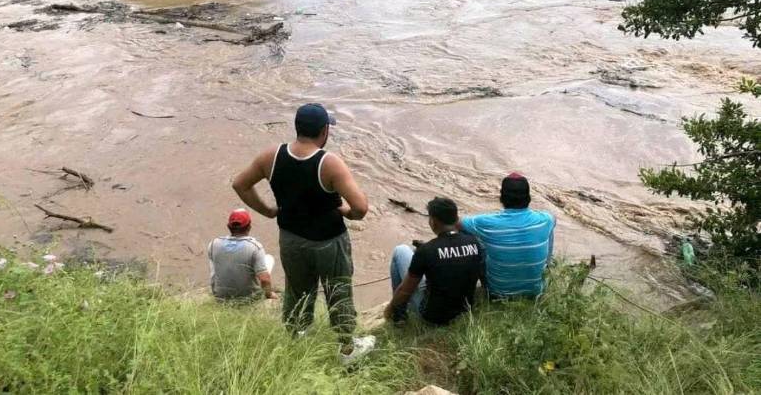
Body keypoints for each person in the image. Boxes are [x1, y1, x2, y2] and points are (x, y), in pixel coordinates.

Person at [231, 103, 374, 363]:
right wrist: (345, 212)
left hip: (291, 238)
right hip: (329, 241)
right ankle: (347, 349)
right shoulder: (328, 163)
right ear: (324, 131)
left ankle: (297, 337)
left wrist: (267, 211)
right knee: (337, 290)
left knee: (297, 290)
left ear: (297, 128)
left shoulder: (271, 157)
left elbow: (239, 184)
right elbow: (361, 208)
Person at [384, 197, 485, 325]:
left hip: (432, 316)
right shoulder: (475, 242)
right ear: (456, 218)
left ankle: (398, 316)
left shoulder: (427, 250)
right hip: (465, 309)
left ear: (433, 221)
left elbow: (405, 290)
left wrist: (388, 309)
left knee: (401, 250)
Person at [458, 172, 556, 298]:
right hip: (535, 293)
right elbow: (554, 219)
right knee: (549, 229)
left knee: (468, 233)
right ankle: (547, 266)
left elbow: (457, 223)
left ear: (502, 197)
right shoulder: (545, 219)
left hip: (498, 293)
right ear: (528, 197)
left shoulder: (486, 222)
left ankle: (476, 285)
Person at [208, 208, 277, 301]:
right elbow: (265, 279)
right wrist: (269, 294)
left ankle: (219, 293)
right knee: (269, 258)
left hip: (220, 298)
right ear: (249, 227)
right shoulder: (255, 247)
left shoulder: (213, 244)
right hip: (249, 299)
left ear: (228, 226)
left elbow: (213, 274)